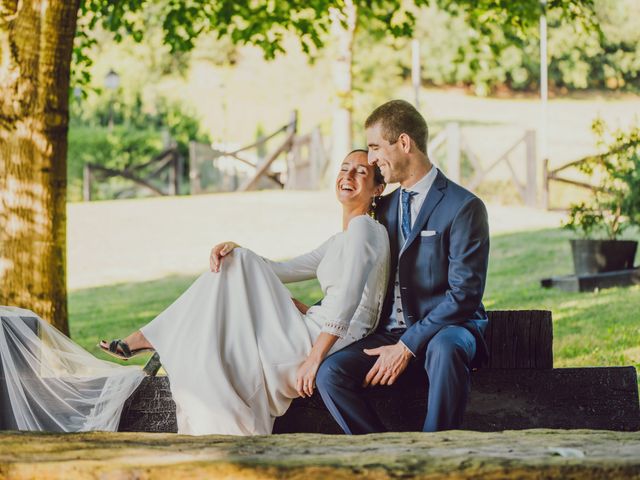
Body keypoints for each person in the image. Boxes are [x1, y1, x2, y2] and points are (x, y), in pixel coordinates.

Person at [92, 150, 390, 435]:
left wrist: (313, 359)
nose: (348, 174)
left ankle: (153, 337)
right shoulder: (342, 239)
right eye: (344, 168)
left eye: (361, 172)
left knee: (237, 277)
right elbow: (282, 270)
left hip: (324, 341)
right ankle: (154, 337)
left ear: (378, 189)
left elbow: (349, 301)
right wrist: (235, 247)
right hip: (314, 326)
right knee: (237, 263)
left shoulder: (365, 228)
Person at [316, 100, 490, 434]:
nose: (372, 158)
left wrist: (408, 345)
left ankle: (434, 456)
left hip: (450, 328)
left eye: (376, 147)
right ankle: (385, 457)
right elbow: (357, 273)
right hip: (386, 332)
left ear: (405, 143)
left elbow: (465, 296)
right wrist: (315, 310)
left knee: (445, 348)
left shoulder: (465, 207)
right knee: (330, 374)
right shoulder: (383, 208)